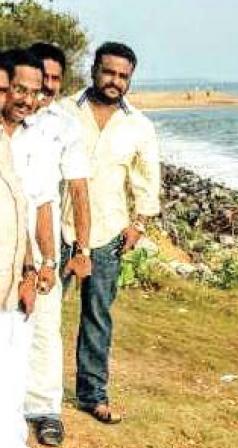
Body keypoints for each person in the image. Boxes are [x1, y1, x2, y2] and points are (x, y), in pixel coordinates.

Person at [60, 42, 160, 424]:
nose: (115, 81)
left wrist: (140, 224)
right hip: (59, 229)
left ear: (130, 79)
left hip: (108, 234)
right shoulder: (65, 111)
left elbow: (147, 180)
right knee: (41, 313)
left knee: (97, 317)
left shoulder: (139, 125)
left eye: (123, 76)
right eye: (109, 72)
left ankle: (92, 395)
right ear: (94, 70)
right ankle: (29, 390)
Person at [22, 42, 92, 447]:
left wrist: (81, 250)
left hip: (45, 236)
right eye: (40, 78)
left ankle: (46, 410)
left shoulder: (64, 126)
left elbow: (79, 190)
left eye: (54, 79)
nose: (46, 87)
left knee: (45, 327)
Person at [0, 50, 46, 448]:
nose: (25, 99)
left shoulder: (31, 139)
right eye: (17, 89)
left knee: (13, 379)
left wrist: (32, 271)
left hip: (14, 279)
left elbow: (28, 210)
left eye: (34, 91)